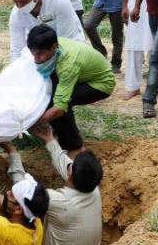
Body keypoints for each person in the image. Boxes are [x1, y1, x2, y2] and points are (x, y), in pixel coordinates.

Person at [10, 122, 102, 245]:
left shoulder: (60, 202)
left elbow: (24, 190)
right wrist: (49, 140)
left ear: (70, 175)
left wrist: (13, 153)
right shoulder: (94, 189)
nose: (69, 167)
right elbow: (65, 165)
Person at [28, 25, 115, 157]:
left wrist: (32, 123)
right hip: (82, 74)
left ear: (53, 47)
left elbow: (58, 108)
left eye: (39, 54)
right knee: (53, 96)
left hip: (100, 83)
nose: (35, 59)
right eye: (33, 53)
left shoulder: (68, 65)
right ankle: (62, 132)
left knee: (57, 105)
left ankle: (74, 147)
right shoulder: (53, 45)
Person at [8, 0, 85, 61]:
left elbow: (65, 41)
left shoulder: (58, 0)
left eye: (23, 2)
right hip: (41, 47)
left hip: (69, 41)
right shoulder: (16, 13)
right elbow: (17, 49)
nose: (19, 6)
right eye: (15, 2)